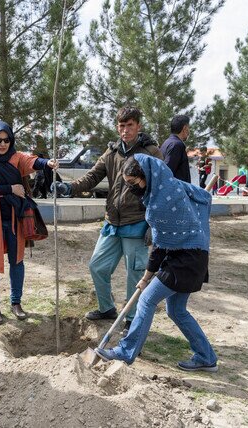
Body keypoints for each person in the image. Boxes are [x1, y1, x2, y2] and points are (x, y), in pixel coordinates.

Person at [95, 154, 218, 373]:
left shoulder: (161, 203)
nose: (132, 188)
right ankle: (206, 356)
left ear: (147, 177)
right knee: (177, 310)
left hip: (184, 261)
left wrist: (145, 278)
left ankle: (125, 352)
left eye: (134, 183)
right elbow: (203, 197)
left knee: (146, 300)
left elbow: (159, 248)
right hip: (196, 255)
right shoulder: (174, 187)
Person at [52, 106, 163, 335]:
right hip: (112, 222)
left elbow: (161, 188)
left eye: (130, 125)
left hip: (138, 222)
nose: (125, 130)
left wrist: (154, 224)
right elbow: (93, 176)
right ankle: (107, 308)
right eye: (121, 126)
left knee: (136, 273)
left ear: (138, 126)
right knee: (97, 266)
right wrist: (69, 187)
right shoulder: (111, 152)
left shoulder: (151, 153)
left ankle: (133, 319)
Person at [0, 121, 58, 324]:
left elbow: (29, 161)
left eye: (7, 140)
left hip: (16, 218)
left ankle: (16, 303)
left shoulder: (15, 158)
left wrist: (47, 163)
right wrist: (10, 189)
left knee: (17, 260)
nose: (2, 144)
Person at [160, 115, 191, 183]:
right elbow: (166, 172)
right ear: (184, 128)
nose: (189, 131)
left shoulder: (167, 142)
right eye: (189, 128)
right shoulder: (177, 145)